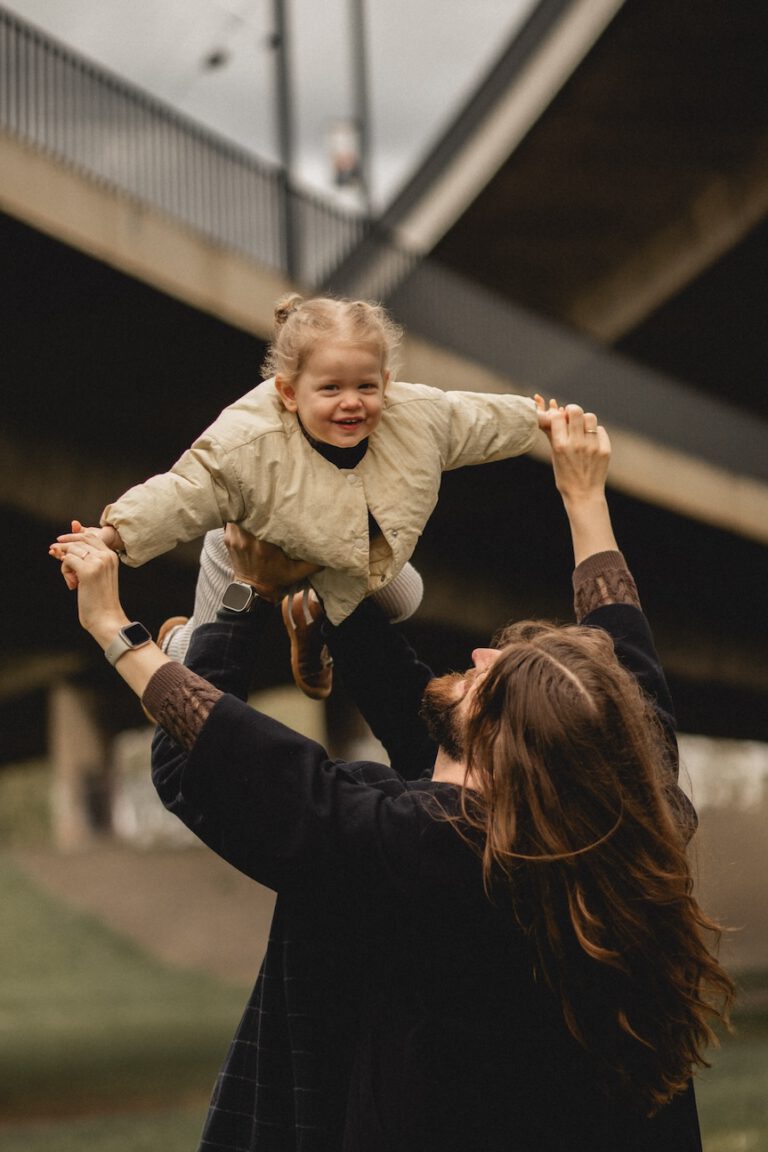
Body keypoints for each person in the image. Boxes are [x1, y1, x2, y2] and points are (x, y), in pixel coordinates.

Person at [50, 405, 734, 1151]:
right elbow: (623, 657)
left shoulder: (420, 851)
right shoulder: (622, 810)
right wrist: (582, 495)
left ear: (507, 752)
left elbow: (212, 769)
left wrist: (143, 623)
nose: (475, 657)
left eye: (488, 679)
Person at [56, 293, 541, 698]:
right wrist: (112, 534)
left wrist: (538, 419)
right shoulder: (248, 441)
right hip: (248, 549)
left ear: (387, 384)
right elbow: (182, 491)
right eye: (330, 388)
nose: (351, 402)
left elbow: (469, 419)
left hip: (341, 548)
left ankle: (311, 633)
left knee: (406, 597)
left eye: (366, 387)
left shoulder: (415, 417)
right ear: (289, 393)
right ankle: (175, 637)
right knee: (198, 664)